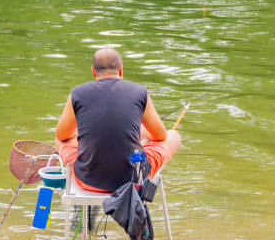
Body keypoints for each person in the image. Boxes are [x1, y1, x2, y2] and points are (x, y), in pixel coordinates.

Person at [55, 48, 181, 193]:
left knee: (62, 140)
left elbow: (61, 136)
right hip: (134, 178)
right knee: (173, 136)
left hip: (87, 180)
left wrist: (80, 134)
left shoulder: (77, 93)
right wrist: (142, 134)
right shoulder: (140, 92)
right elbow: (160, 136)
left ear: (94, 71)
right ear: (120, 70)